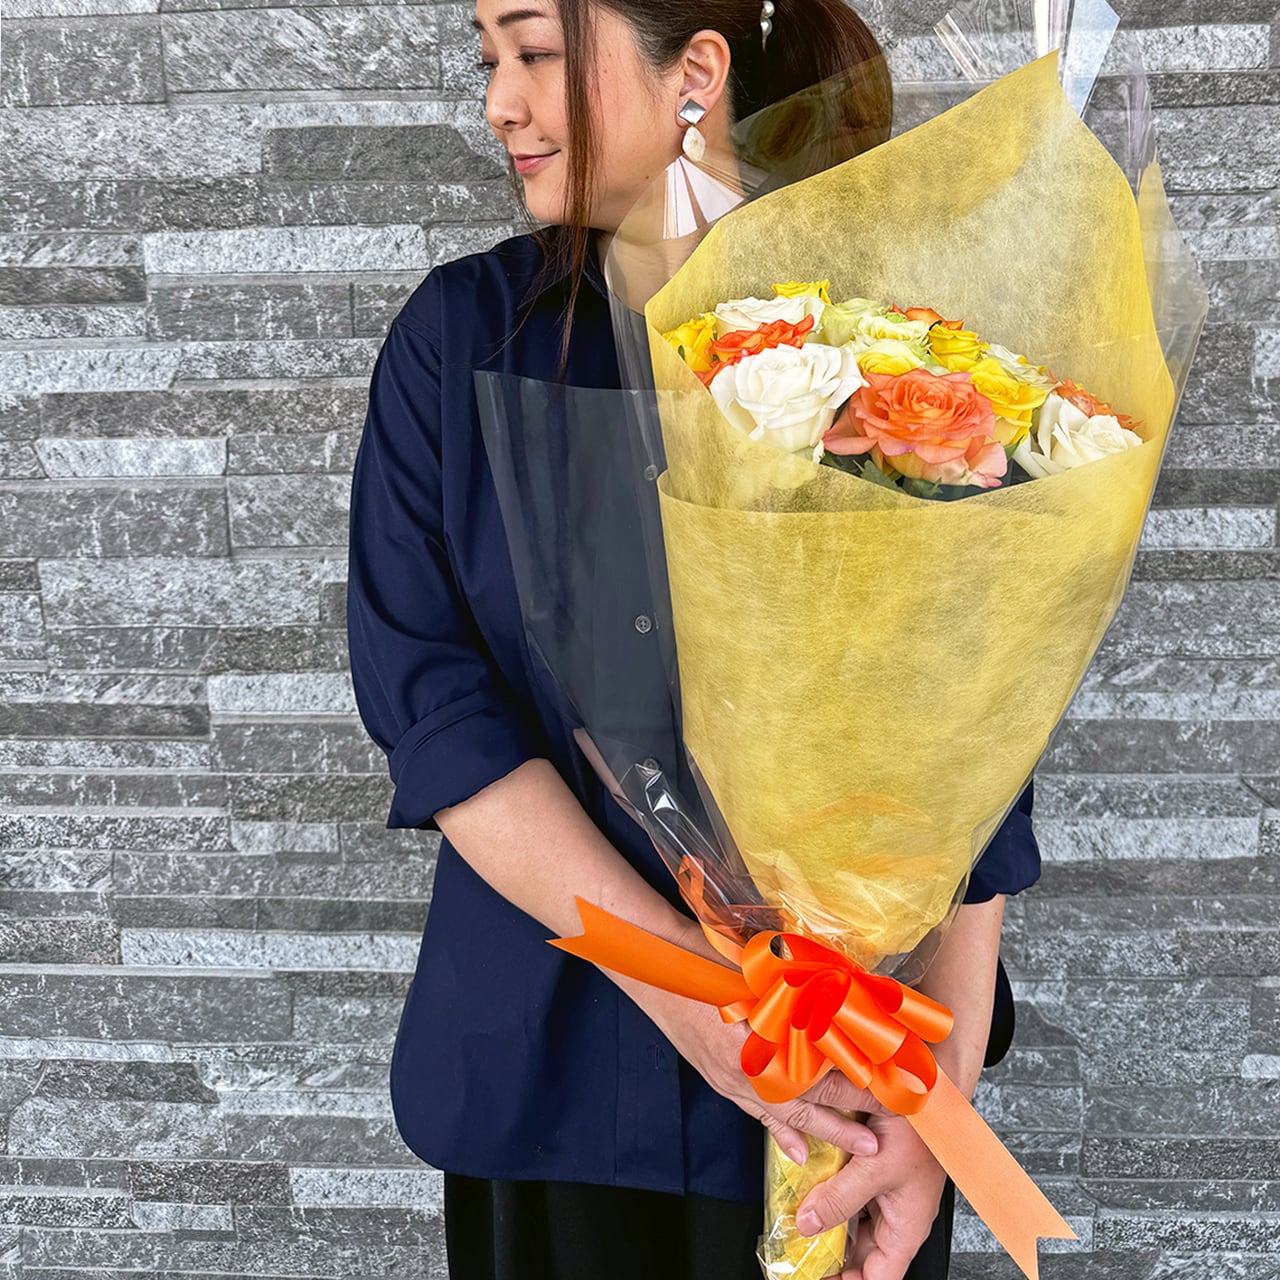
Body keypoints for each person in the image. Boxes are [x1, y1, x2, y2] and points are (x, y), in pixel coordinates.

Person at [344, 2, 1042, 1277]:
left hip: (850, 1094)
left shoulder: (885, 353)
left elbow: (982, 731)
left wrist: (938, 1105)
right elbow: (437, 715)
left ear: (696, 73)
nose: (499, 101)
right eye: (488, 59)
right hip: (553, 1079)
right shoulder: (456, 341)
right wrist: (697, 996)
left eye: (535, 52)